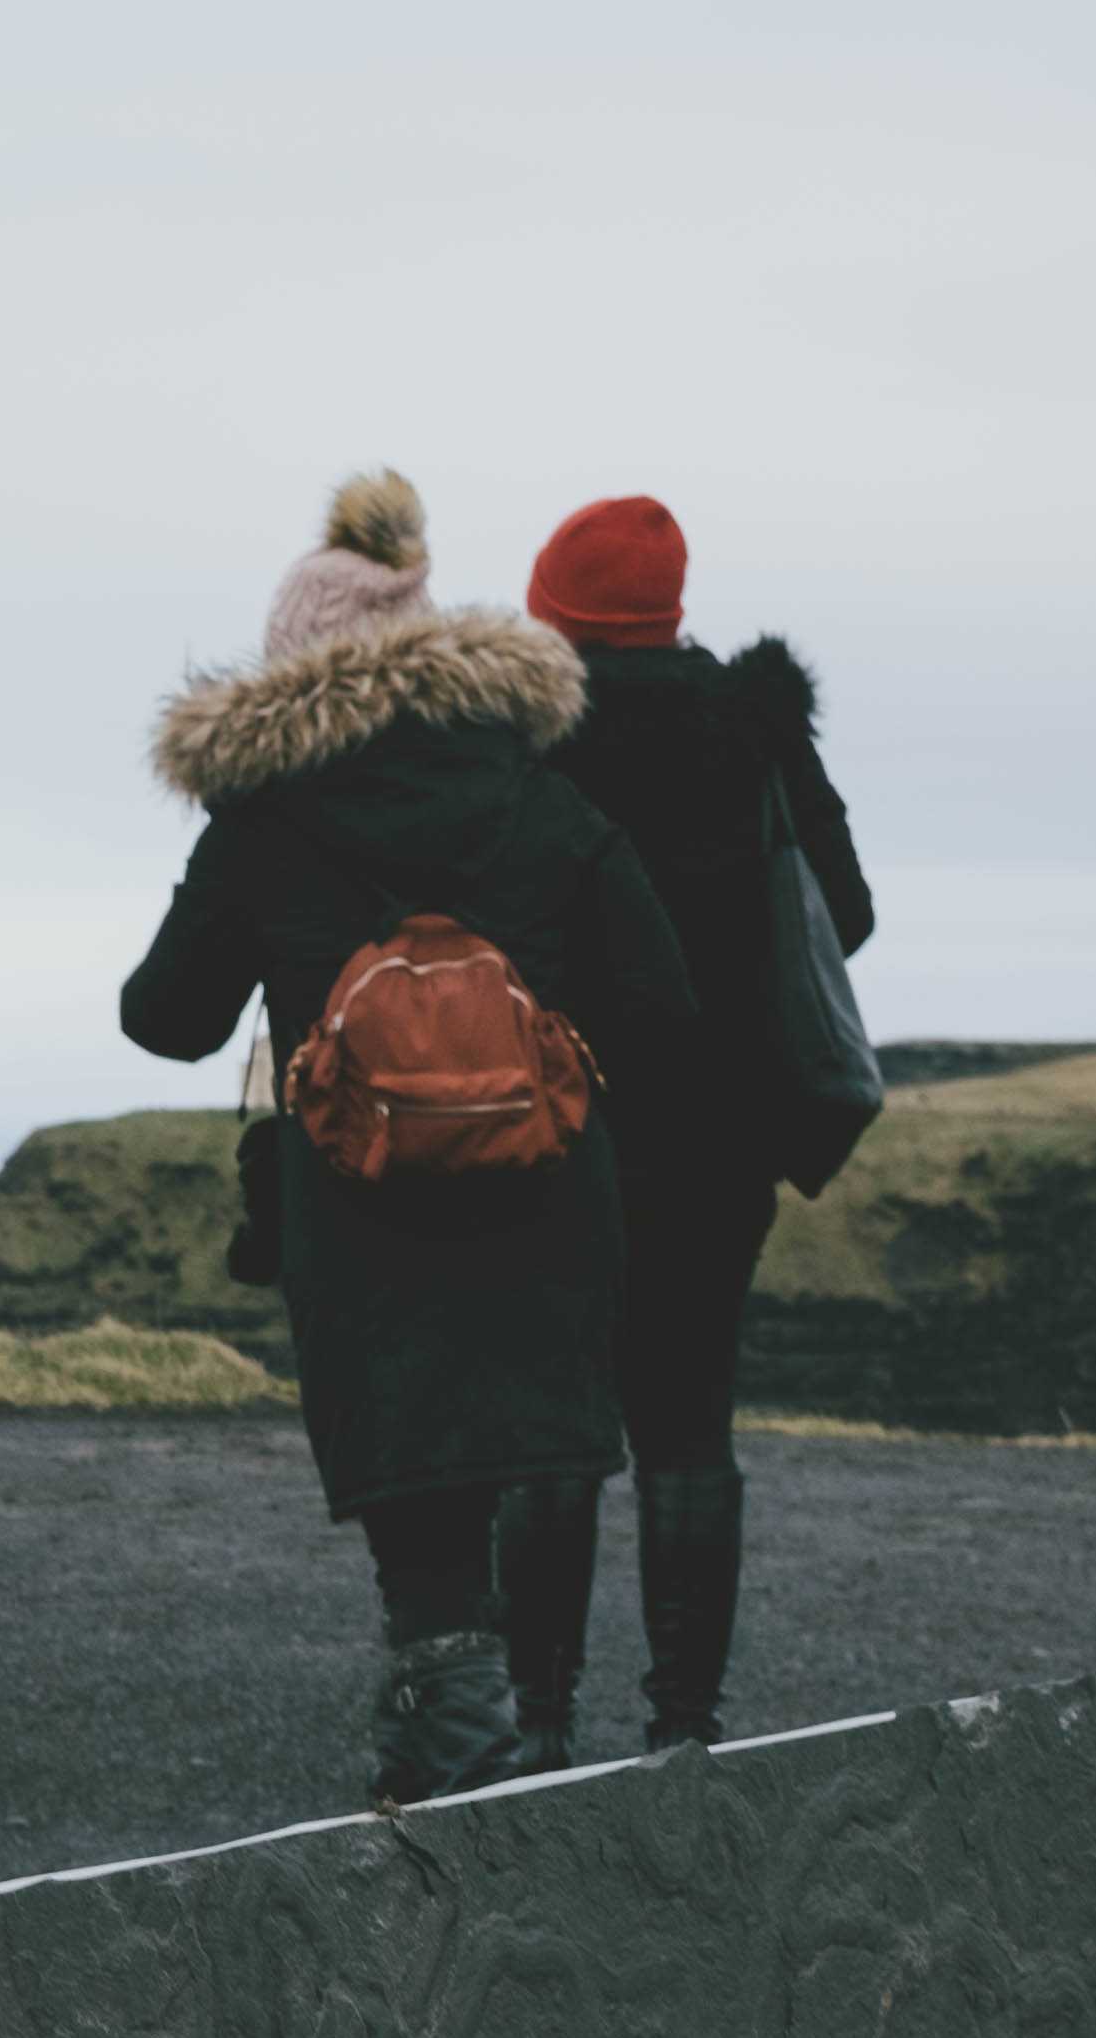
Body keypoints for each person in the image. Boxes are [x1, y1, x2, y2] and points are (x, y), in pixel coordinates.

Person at [122, 469, 698, 1805]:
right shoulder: (541, 797)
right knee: (516, 1460)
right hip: (544, 1194)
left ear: (292, 669)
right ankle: (476, 1742)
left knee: (417, 1505)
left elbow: (164, 1019)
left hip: (358, 1206)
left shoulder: (265, 823)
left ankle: (452, 1754)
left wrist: (244, 889)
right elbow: (658, 1004)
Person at [495, 496, 877, 1758]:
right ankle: (681, 1732)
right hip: (717, 1139)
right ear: (667, 608)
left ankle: (540, 1723)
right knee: (687, 1419)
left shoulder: (525, 738)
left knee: (553, 1418)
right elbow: (848, 913)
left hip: (549, 1128)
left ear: (556, 611)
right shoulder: (752, 733)